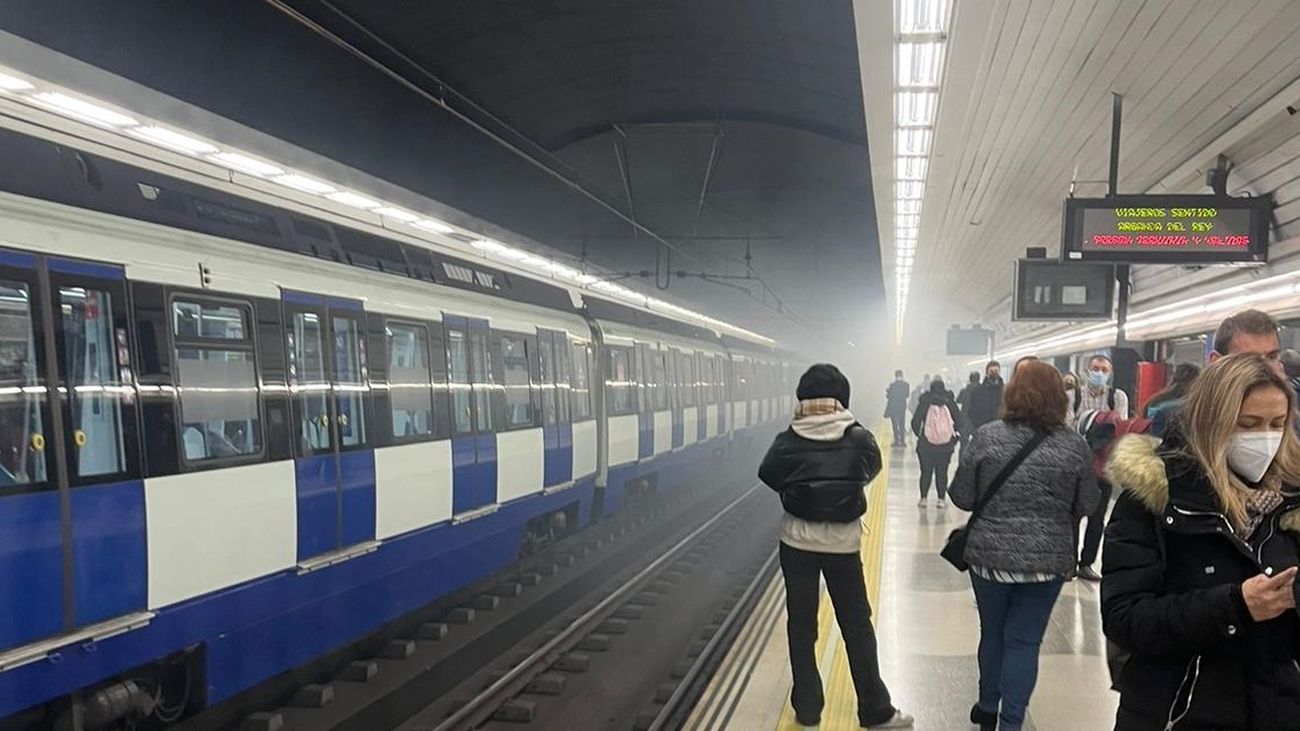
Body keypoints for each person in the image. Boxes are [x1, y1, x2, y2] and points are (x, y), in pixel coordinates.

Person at [1101, 353, 1300, 730]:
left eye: (1277, 424)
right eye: (1249, 424)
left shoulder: (1292, 505)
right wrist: (1234, 607)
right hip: (1178, 711)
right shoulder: (1155, 500)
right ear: (1212, 422)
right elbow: (1125, 618)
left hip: (1277, 709)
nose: (1266, 438)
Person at [758, 364, 914, 729]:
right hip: (843, 545)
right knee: (856, 624)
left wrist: (797, 489)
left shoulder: (787, 440)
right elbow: (870, 469)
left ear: (802, 397)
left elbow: (768, 474)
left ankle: (808, 707)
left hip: (797, 543)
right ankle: (875, 709)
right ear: (842, 397)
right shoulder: (858, 437)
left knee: (801, 625)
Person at [950, 361, 1100, 731]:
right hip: (1047, 563)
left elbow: (962, 496)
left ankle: (987, 706)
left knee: (992, 633)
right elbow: (1088, 504)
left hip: (989, 559)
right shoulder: (1075, 445)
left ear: (1012, 393)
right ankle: (1011, 723)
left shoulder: (987, 436)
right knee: (1024, 642)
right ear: (1060, 399)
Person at [1150, 309, 1282, 437]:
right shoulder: (1177, 420)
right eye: (1248, 360)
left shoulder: (1288, 418)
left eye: (1272, 357)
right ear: (1216, 362)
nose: (1266, 368)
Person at [1075, 353, 1130, 582]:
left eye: (1104, 370)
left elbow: (1121, 428)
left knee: (1097, 517)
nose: (1099, 373)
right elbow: (1066, 426)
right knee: (1073, 515)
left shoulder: (1117, 397)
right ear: (1087, 371)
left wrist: (1090, 423)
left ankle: (1086, 563)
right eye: (1096, 368)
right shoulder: (1073, 396)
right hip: (1077, 465)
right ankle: (1069, 562)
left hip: (1103, 467)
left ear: (1110, 373)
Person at [912, 378, 960, 508]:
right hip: (945, 446)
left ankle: (923, 498)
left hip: (926, 446)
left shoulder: (925, 402)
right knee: (942, 472)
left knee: (925, 472)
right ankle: (941, 499)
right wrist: (952, 438)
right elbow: (959, 421)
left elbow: (915, 422)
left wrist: (921, 436)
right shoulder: (949, 402)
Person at [965, 361, 1005, 432]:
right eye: (991, 371)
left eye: (996, 370)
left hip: (1003, 430)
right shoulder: (977, 391)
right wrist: (978, 427)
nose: (994, 373)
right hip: (983, 430)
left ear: (999, 372)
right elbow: (972, 411)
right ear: (986, 373)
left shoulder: (1007, 391)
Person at [884, 370, 910, 448]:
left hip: (893, 407)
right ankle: (902, 441)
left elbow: (889, 396)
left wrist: (888, 392)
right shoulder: (906, 385)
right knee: (902, 423)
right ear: (902, 375)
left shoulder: (892, 385)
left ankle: (896, 441)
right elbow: (907, 395)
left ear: (895, 376)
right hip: (902, 407)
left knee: (894, 424)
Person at [957, 371, 981, 455]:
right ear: (979, 379)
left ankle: (962, 460)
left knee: (964, 443)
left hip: (966, 419)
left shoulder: (965, 390)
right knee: (979, 442)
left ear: (970, 379)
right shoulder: (983, 390)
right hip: (978, 419)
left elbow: (958, 400)